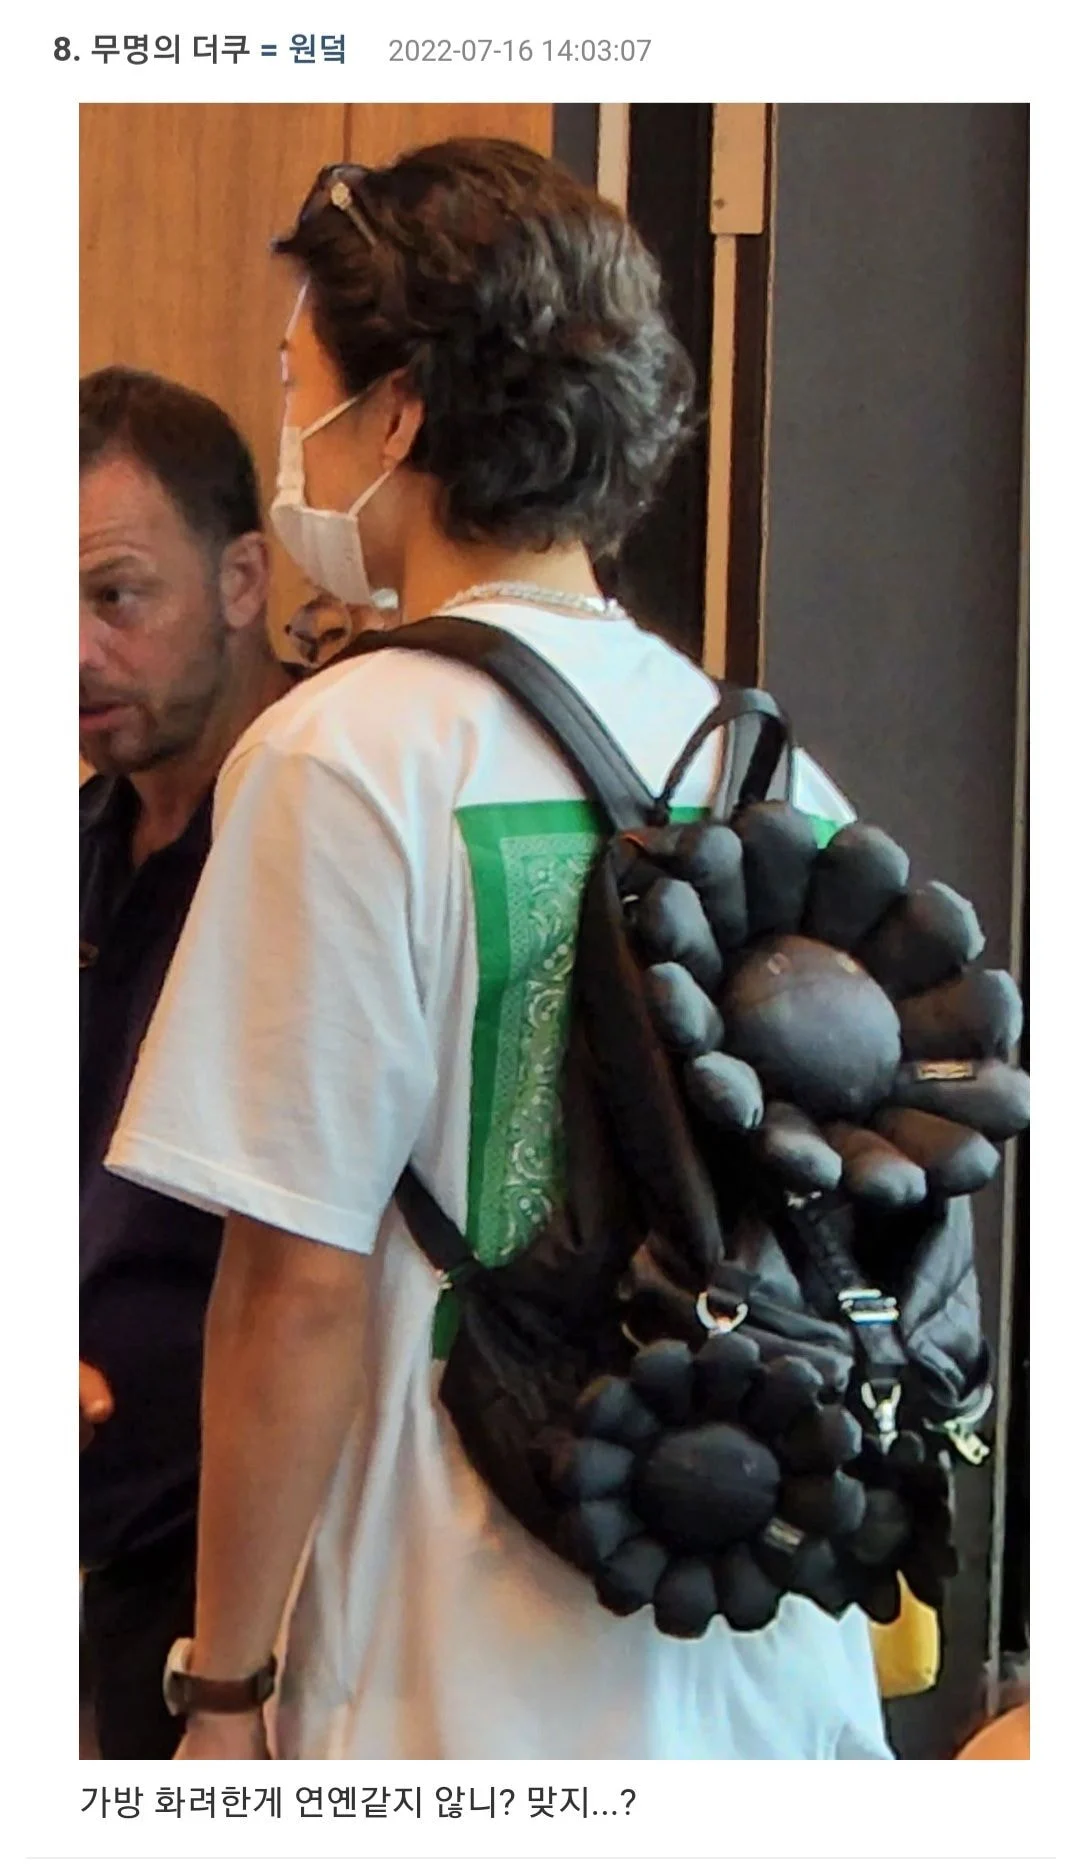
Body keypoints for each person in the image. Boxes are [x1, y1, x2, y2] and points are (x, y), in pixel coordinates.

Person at [108, 140, 891, 1761]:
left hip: (458, 1665)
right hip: (752, 1642)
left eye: (298, 385)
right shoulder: (757, 758)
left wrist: (224, 1687)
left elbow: (294, 1289)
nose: (293, 434)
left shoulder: (343, 757)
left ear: (397, 414)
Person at [80, 366, 292, 1758]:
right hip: (96, 1563)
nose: (72, 653)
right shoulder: (75, 845)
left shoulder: (323, 830)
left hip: (267, 1592)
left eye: (116, 597)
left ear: (242, 581)